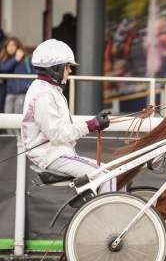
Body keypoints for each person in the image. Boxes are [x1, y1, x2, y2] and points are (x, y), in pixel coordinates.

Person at [21, 39, 115, 193]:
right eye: (67, 66)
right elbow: (58, 134)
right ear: (56, 68)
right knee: (108, 177)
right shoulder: (43, 94)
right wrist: (92, 125)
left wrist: (94, 123)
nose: (70, 71)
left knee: (113, 172)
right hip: (52, 156)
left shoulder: (50, 89)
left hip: (58, 154)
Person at [0, 37, 34, 121]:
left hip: (22, 93)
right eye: (8, 45)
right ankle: (11, 134)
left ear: (18, 47)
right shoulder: (5, 58)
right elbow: (4, 69)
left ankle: (18, 134)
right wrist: (15, 59)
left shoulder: (27, 59)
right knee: (7, 116)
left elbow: (34, 72)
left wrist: (28, 85)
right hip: (10, 92)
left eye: (13, 45)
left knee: (18, 116)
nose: (10, 47)